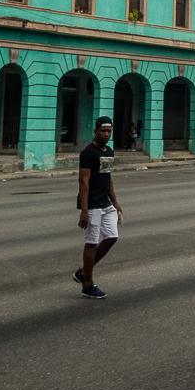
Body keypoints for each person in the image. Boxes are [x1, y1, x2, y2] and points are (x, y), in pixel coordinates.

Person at [74, 117, 122, 299]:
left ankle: (83, 271)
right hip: (91, 204)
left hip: (105, 203)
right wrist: (84, 211)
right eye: (103, 131)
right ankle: (87, 285)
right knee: (92, 242)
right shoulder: (88, 153)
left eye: (109, 131)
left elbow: (107, 177)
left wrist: (115, 202)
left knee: (112, 237)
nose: (106, 134)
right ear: (95, 131)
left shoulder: (109, 151)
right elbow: (83, 182)